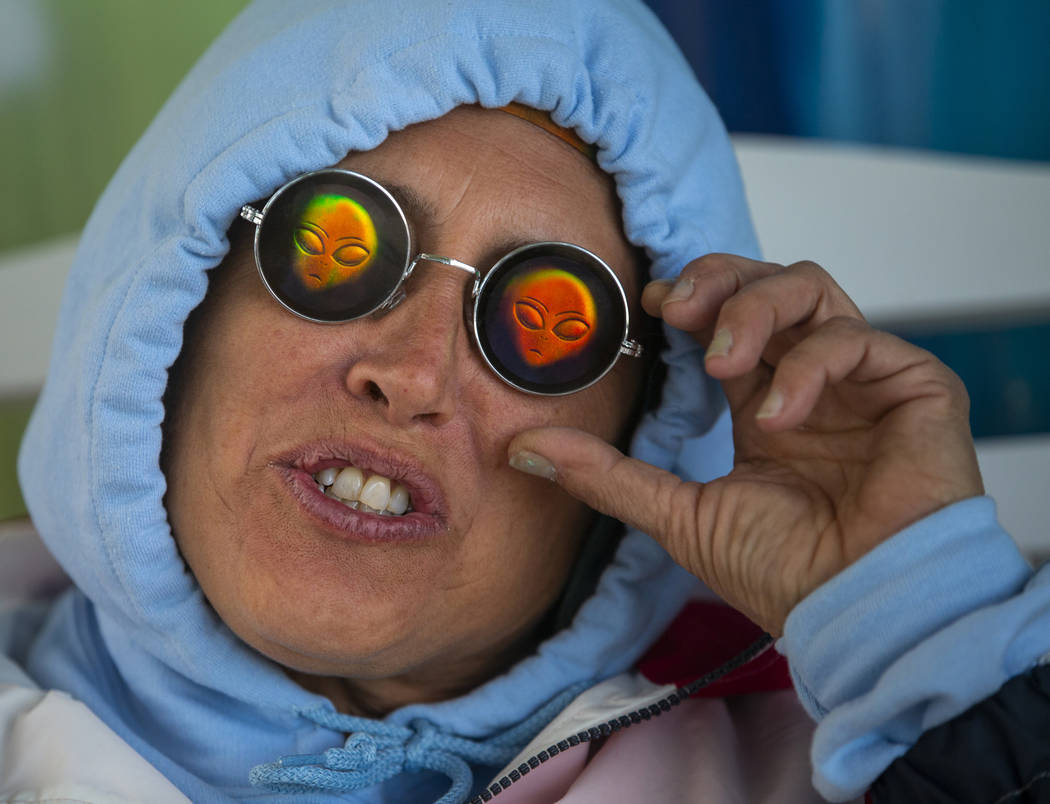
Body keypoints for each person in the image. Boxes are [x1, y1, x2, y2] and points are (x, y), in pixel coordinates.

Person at [2, 1, 1048, 802]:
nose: (411, 376)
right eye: (336, 252)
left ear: (641, 439)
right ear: (163, 328)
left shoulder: (829, 769)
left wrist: (928, 635)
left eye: (550, 322)